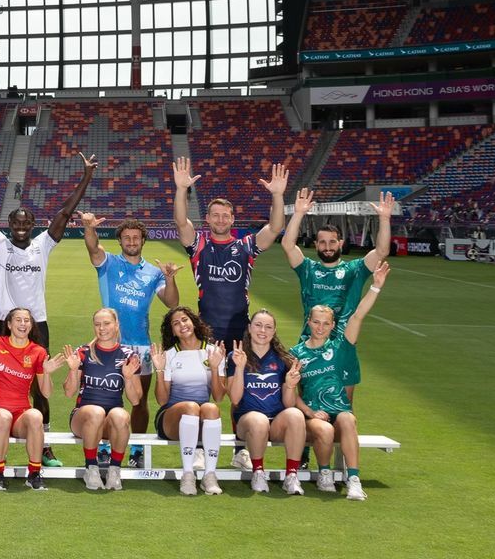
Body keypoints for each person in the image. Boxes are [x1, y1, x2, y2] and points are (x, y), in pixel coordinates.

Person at [0, 145, 94, 466]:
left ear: (33, 224)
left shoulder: (43, 245)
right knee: (4, 382)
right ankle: (1, 438)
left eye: (26, 222)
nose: (21, 226)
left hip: (37, 325)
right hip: (6, 323)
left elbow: (65, 213)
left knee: (39, 383)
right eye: (16, 222)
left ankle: (43, 444)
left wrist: (87, 177)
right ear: (9, 223)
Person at [81, 212, 180, 468]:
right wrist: (89, 228)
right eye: (127, 237)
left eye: (136, 237)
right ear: (120, 240)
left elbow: (172, 302)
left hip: (141, 346)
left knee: (140, 400)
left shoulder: (154, 273)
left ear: (143, 240)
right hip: (109, 343)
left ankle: (136, 449)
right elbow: (93, 248)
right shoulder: (109, 263)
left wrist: (170, 279)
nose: (132, 241)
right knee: (104, 399)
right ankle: (104, 448)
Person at [291, 261, 392, 501]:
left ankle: (353, 480)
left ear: (333, 325)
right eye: (316, 322)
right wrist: (310, 413)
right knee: (324, 429)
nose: (320, 327)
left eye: (326, 323)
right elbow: (291, 393)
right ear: (308, 322)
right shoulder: (296, 354)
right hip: (312, 419)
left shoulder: (340, 346)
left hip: (338, 415)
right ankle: (325, 473)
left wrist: (376, 287)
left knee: (347, 418)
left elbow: (357, 316)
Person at [280, 188, 394, 400]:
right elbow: (288, 245)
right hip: (309, 345)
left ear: (341, 243)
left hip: (343, 345)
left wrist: (384, 219)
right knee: (307, 404)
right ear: (316, 245)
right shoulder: (308, 269)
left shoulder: (355, 270)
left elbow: (381, 251)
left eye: (332, 241)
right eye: (322, 242)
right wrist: (299, 213)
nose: (328, 246)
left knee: (344, 406)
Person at [172, 156, 288, 349]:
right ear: (207, 218)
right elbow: (181, 222)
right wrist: (182, 189)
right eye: (216, 215)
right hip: (206, 330)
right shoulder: (198, 245)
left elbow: (275, 228)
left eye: (225, 216)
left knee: (239, 369)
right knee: (211, 370)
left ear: (232, 219)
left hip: (240, 331)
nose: (221, 220)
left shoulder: (246, 246)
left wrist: (277, 195)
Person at [0, 306, 64, 491]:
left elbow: (46, 393)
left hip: (20, 415)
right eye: (18, 320)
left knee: (36, 416)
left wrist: (46, 372)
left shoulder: (38, 351)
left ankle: (34, 474)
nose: (23, 324)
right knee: (3, 416)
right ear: (9, 324)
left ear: (32, 325)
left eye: (26, 320)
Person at [62, 308, 143, 491]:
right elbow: (69, 392)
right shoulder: (83, 352)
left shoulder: (128, 355)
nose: (102, 328)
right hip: (83, 419)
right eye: (97, 324)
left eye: (106, 323)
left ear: (117, 325)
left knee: (121, 416)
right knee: (96, 412)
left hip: (110, 423)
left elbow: (135, 400)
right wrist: (73, 370)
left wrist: (128, 378)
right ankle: (91, 468)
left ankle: (115, 470)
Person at [151, 306, 228, 496]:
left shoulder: (213, 352)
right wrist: (159, 370)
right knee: (191, 407)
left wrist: (215, 368)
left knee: (211, 408)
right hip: (171, 419)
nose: (182, 325)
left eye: (184, 320)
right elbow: (162, 400)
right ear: (172, 331)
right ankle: (187, 474)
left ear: (193, 322)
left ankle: (210, 475)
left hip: (200, 419)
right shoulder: (169, 355)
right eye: (176, 323)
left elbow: (219, 397)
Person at [228, 309, 307, 495]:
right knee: (259, 420)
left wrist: (289, 386)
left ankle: (291, 475)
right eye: (258, 325)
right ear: (249, 328)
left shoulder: (282, 359)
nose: (262, 330)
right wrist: (239, 368)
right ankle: (258, 472)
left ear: (274, 331)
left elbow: (289, 404)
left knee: (296, 415)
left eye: (268, 327)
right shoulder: (237, 356)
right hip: (247, 422)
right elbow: (235, 399)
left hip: (276, 422)